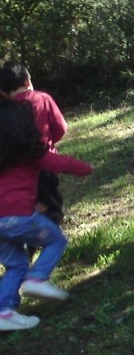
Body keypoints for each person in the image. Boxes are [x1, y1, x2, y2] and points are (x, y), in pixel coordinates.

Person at [0, 99, 92, 331]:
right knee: (56, 240)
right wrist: (86, 169)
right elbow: (61, 163)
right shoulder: (31, 155)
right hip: (18, 217)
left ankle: (5, 311)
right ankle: (38, 277)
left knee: (17, 265)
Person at [0, 62, 68, 224]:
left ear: (3, 91)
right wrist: (49, 142)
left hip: (17, 168)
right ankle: (52, 240)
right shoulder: (43, 99)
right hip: (45, 164)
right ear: (27, 81)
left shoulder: (5, 111)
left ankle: (30, 240)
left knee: (28, 205)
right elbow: (61, 127)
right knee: (52, 208)